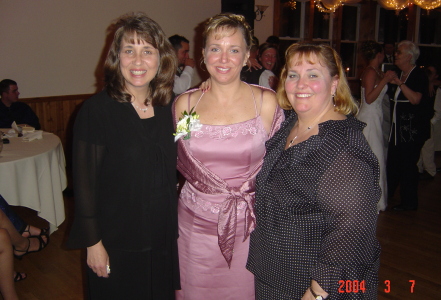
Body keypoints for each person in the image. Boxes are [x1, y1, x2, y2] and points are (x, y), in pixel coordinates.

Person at [247, 43, 381, 299]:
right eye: (293, 75)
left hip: (311, 285)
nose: (301, 84)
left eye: (313, 75)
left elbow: (352, 232)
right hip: (274, 274)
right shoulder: (289, 127)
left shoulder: (343, 146)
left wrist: (318, 292)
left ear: (334, 84)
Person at [67, 12, 180, 299]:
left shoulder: (172, 107)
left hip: (162, 237)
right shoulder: (97, 111)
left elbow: (191, 147)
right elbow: (84, 186)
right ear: (117, 58)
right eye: (129, 50)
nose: (138, 61)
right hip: (117, 241)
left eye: (147, 51)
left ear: (161, 58)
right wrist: (93, 244)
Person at [173, 13, 284, 300]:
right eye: (215, 48)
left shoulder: (265, 103)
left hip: (248, 227)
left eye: (234, 49)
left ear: (248, 55)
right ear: (203, 54)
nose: (224, 58)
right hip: (194, 227)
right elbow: (177, 155)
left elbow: (283, 168)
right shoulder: (187, 104)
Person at [387, 40, 433, 211]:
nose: (395, 55)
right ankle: (389, 194)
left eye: (399, 52)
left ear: (408, 56)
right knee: (393, 162)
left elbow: (415, 99)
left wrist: (399, 83)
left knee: (407, 166)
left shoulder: (418, 76)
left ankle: (409, 203)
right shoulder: (402, 74)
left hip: (412, 132)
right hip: (398, 130)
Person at [357, 40, 396, 212]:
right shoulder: (370, 72)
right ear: (379, 55)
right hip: (369, 117)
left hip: (376, 116)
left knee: (377, 157)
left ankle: (373, 198)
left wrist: (390, 79)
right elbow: (369, 98)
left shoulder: (377, 72)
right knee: (375, 157)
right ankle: (370, 199)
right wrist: (385, 80)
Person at [417, 65, 441, 179]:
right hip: (418, 121)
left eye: (431, 73)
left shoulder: (437, 91)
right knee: (418, 148)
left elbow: (439, 110)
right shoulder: (420, 87)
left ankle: (430, 171)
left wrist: (431, 122)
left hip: (427, 122)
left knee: (428, 148)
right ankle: (418, 169)